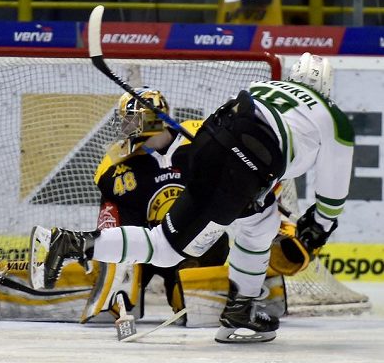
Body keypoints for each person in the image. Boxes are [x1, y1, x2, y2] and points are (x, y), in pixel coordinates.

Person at [30, 52, 354, 343]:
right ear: (326, 85)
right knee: (240, 230)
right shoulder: (333, 117)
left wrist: (254, 189)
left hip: (206, 145)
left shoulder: (265, 87)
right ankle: (241, 313)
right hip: (245, 164)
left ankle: (71, 242)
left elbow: (236, 121)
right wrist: (320, 224)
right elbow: (331, 197)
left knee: (238, 224)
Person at [80, 88, 230, 323]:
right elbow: (114, 225)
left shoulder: (200, 138)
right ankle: (123, 295)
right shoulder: (115, 165)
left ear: (153, 117)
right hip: (145, 248)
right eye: (125, 120)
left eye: (132, 119)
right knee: (107, 312)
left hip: (191, 245)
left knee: (195, 313)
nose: (126, 127)